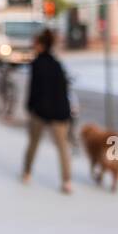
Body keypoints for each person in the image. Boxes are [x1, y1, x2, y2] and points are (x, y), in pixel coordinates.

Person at [21, 28, 72, 194]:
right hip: (60, 112)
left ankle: (27, 173)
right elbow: (65, 89)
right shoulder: (57, 64)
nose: (33, 46)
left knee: (33, 143)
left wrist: (29, 107)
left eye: (35, 44)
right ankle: (67, 181)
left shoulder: (37, 64)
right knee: (63, 147)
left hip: (41, 111)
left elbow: (34, 89)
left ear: (41, 45)